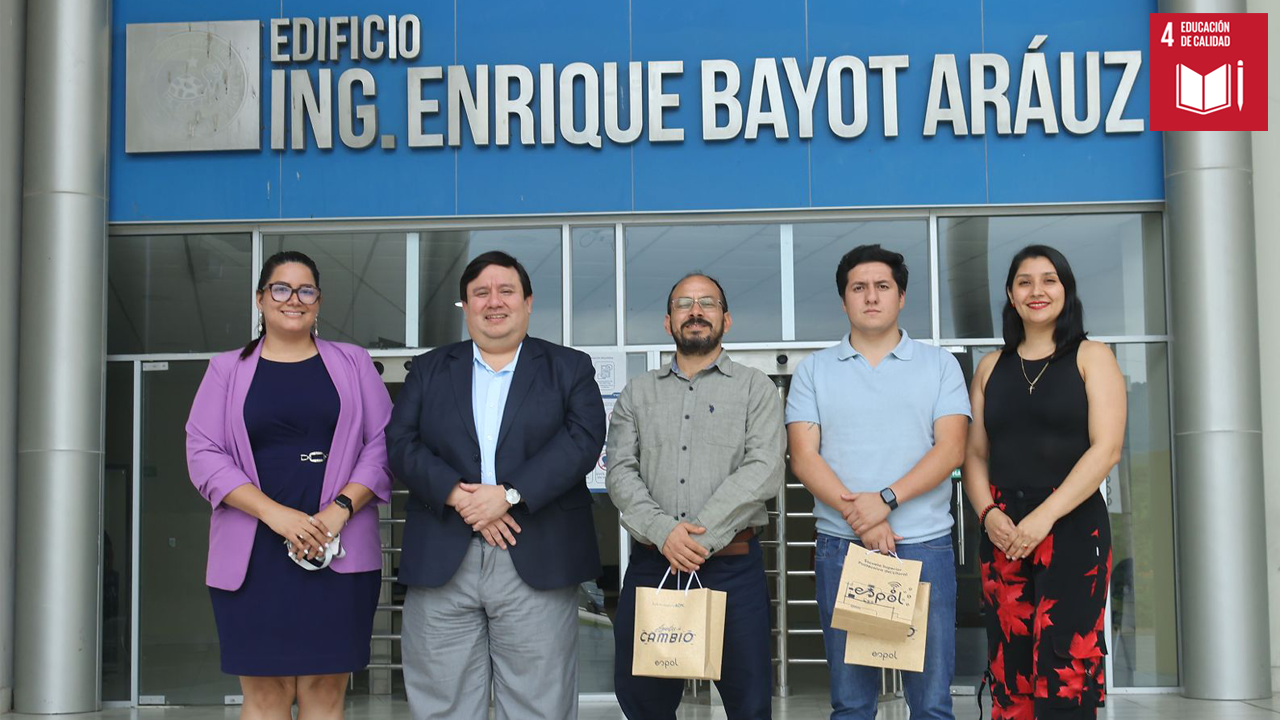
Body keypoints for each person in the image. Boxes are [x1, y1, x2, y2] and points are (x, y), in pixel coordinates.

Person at [386, 251, 607, 720]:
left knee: (538, 704)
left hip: (536, 551)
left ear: (528, 303)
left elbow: (582, 441)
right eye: (479, 293)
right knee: (442, 703)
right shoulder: (428, 369)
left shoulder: (569, 367)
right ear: (464, 307)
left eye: (506, 291)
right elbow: (400, 443)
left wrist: (507, 495)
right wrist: (458, 495)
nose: (494, 302)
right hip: (444, 554)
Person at [186, 251, 393, 720]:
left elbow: (383, 444)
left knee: (324, 690)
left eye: (306, 290)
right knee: (265, 692)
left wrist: (337, 512)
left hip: (337, 549)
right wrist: (274, 515)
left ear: (318, 302)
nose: (293, 299)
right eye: (281, 288)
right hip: (252, 555)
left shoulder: (354, 363)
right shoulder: (225, 369)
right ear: (261, 299)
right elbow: (203, 453)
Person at [786, 244, 970, 720]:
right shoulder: (813, 371)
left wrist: (885, 501)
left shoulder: (939, 365)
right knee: (851, 703)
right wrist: (863, 519)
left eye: (882, 286)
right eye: (859, 288)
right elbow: (805, 459)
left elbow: (950, 449)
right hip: (841, 549)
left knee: (931, 702)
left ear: (901, 297)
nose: (871, 297)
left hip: (924, 546)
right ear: (844, 299)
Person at [607, 272, 785, 720]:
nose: (696, 311)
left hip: (733, 571)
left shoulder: (755, 388)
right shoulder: (637, 393)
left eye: (707, 303)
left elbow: (764, 470)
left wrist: (698, 540)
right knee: (644, 702)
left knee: (749, 705)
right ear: (668, 322)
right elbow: (621, 473)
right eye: (684, 304)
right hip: (653, 567)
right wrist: (665, 533)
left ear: (726, 318)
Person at [962, 245, 1125, 720]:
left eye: (1049, 279)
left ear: (1066, 290)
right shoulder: (991, 367)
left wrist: (1043, 518)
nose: (1037, 291)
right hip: (1001, 530)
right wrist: (988, 514)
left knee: (1065, 669)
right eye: (1024, 281)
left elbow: (1106, 449)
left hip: (1073, 527)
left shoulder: (1093, 357)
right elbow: (973, 454)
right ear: (1011, 297)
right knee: (1011, 670)